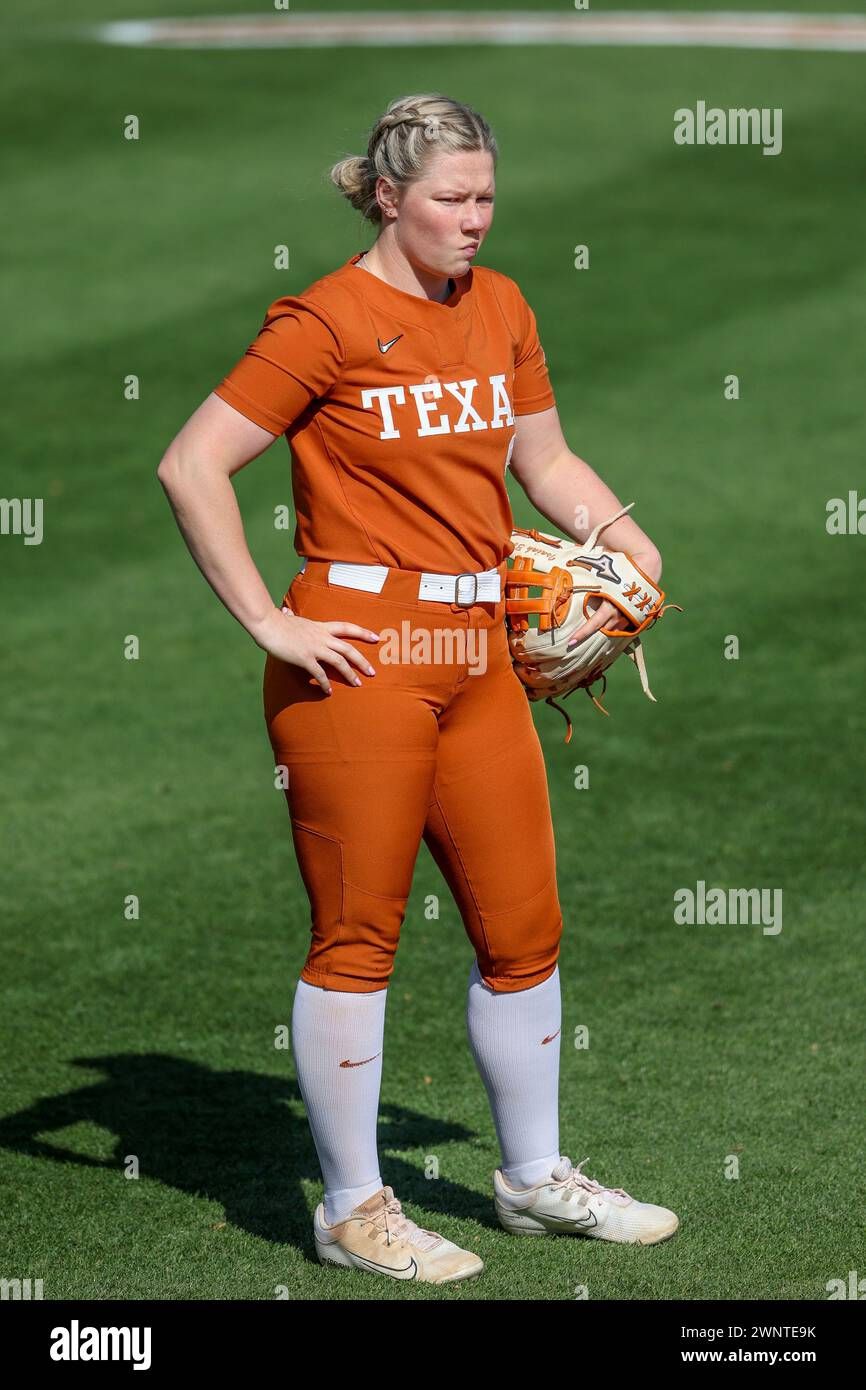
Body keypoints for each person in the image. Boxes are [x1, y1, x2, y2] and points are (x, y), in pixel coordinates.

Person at [157, 92, 679, 1286]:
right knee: (358, 937)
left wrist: (620, 536)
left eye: (486, 197)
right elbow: (191, 462)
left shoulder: (498, 308)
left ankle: (533, 1180)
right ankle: (350, 1207)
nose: (474, 220)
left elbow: (541, 459)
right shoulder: (325, 319)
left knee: (523, 926)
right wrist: (267, 619)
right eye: (450, 198)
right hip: (359, 660)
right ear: (386, 196)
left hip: (478, 655)